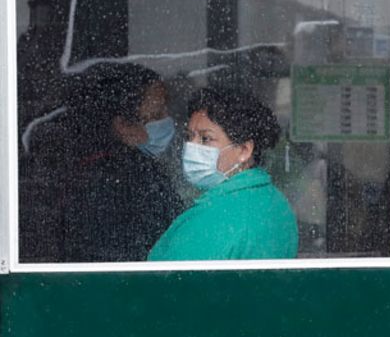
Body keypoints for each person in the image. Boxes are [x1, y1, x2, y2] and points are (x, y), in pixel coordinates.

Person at [20, 62, 184, 262]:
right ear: (123, 126)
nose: (168, 120)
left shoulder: (85, 171)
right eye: (156, 115)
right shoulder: (121, 182)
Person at [148, 87, 297, 260]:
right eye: (189, 137)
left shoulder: (217, 216)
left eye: (206, 139)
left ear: (244, 150)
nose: (191, 147)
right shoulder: (274, 202)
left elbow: (169, 281)